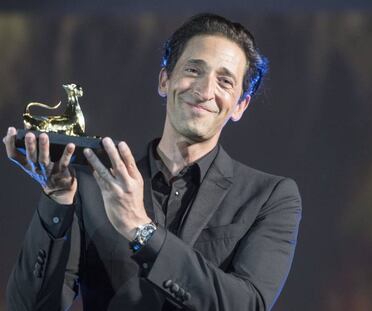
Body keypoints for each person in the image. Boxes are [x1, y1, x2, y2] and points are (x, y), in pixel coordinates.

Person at [3, 13, 302, 311]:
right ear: (164, 80)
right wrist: (57, 200)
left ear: (240, 105)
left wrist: (141, 230)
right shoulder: (96, 184)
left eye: (224, 81)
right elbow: (28, 306)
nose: (205, 90)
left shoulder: (270, 197)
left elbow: (247, 305)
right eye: (194, 70)